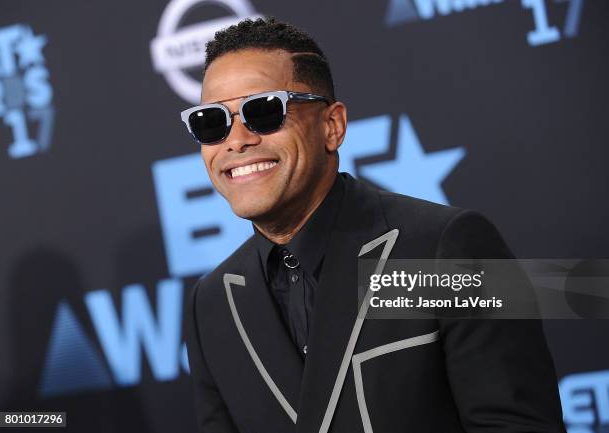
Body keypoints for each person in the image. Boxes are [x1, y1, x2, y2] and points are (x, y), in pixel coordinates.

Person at [182, 17, 566, 433]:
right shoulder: (214, 304)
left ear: (333, 126)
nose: (236, 141)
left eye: (263, 111)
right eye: (211, 122)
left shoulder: (446, 249)